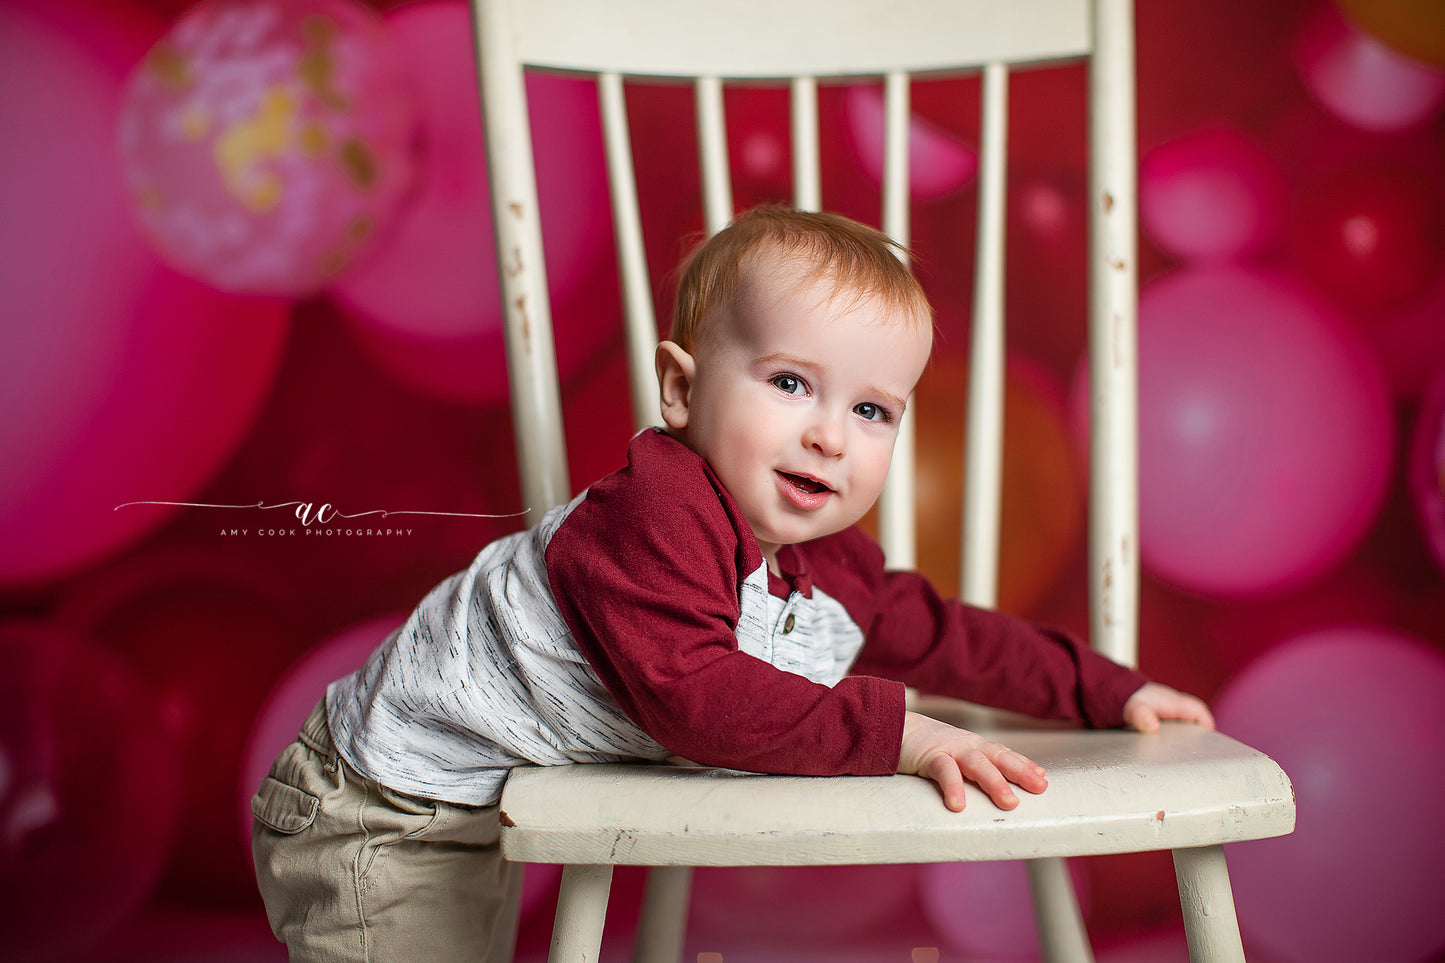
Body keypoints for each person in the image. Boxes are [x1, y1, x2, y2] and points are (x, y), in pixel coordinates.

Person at [251, 206, 1214, 961]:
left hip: (472, 803)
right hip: (379, 805)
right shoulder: (649, 514)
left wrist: (1106, 687)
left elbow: (947, 635)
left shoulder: (826, 564)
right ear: (679, 390)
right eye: (790, 383)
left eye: (871, 408)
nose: (829, 434)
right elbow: (696, 698)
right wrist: (902, 736)